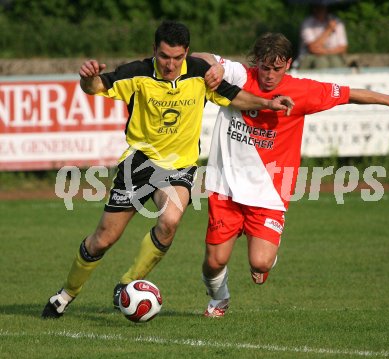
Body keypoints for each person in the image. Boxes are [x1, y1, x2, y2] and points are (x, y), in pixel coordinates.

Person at [41, 21, 293, 319]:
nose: (170, 64)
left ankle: (127, 284)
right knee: (104, 239)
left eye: (177, 57)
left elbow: (234, 96)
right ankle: (66, 294)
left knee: (170, 220)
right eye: (164, 57)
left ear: (186, 52)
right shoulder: (136, 73)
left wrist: (268, 103)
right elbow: (95, 86)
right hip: (139, 163)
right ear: (154, 51)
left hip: (179, 167)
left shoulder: (199, 72)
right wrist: (87, 78)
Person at [192, 32, 389, 317]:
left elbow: (349, 95)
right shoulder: (238, 76)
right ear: (256, 62)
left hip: (269, 192)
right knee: (214, 262)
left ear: (288, 64)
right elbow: (203, 58)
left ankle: (266, 254)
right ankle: (219, 298)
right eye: (264, 67)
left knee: (260, 263)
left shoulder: (302, 91)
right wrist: (215, 67)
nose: (270, 75)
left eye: (277, 68)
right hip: (225, 187)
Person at [298, 4, 348, 69]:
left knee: (336, 62)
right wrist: (328, 30)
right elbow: (312, 48)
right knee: (321, 62)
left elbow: (343, 48)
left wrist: (326, 51)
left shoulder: (337, 22)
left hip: (332, 55)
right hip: (310, 56)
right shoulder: (307, 23)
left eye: (323, 8)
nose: (320, 10)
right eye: (318, 8)